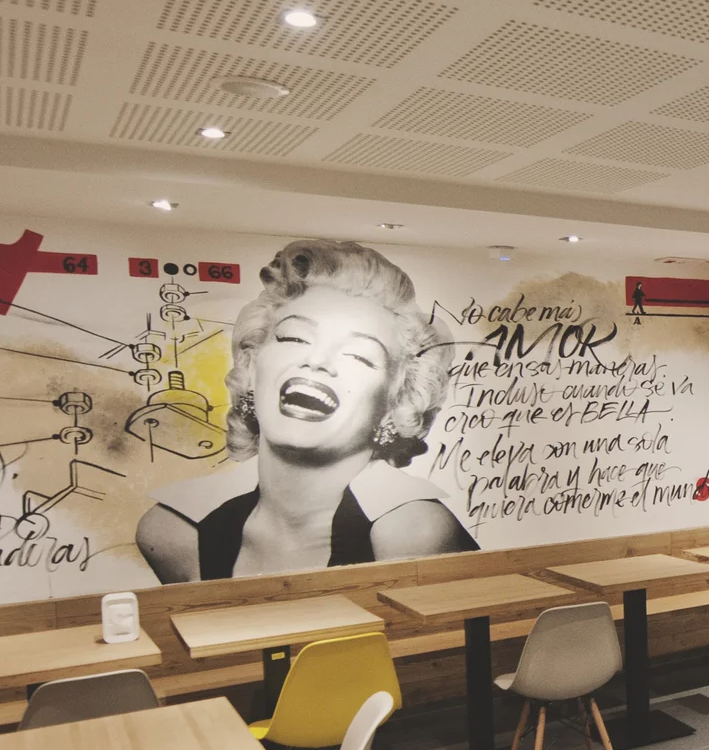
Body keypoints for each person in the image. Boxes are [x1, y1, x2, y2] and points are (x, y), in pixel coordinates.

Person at [137, 238, 473, 581]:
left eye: (359, 356)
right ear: (251, 366)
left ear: (396, 403)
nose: (317, 361)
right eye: (294, 338)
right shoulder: (173, 532)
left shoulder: (412, 532)